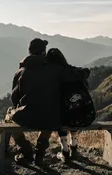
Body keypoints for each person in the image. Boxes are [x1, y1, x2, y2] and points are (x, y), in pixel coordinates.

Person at [10, 38, 90, 166]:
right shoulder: (55, 70)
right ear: (43, 52)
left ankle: (26, 151)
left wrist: (21, 108)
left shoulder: (20, 72)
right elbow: (76, 74)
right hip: (50, 118)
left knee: (9, 117)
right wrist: (85, 71)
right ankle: (40, 154)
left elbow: (14, 98)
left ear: (29, 52)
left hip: (26, 116)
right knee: (48, 111)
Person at [46, 48, 95, 163]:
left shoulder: (51, 76)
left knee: (60, 112)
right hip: (84, 116)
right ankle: (73, 146)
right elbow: (85, 72)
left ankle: (65, 150)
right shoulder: (74, 72)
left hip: (62, 118)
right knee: (73, 109)